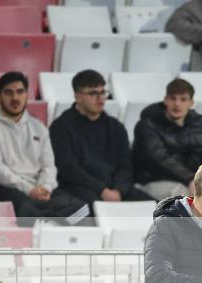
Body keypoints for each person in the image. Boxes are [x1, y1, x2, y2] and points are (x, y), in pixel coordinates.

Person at [0, 71, 90, 226]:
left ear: (27, 95)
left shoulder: (38, 127)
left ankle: (56, 230)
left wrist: (45, 187)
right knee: (27, 211)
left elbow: (49, 166)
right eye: (8, 93)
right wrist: (29, 189)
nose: (15, 98)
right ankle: (47, 230)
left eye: (20, 92)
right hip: (6, 188)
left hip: (39, 187)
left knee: (81, 207)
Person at [49, 70, 152, 204]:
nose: (100, 98)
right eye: (93, 93)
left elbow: (125, 167)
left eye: (103, 92)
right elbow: (68, 169)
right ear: (78, 96)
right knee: (95, 209)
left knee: (157, 209)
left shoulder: (116, 127)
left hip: (115, 189)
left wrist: (118, 190)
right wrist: (103, 190)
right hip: (79, 188)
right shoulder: (61, 126)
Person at [132, 78, 202, 200]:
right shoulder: (148, 125)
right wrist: (190, 179)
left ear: (191, 103)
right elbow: (160, 159)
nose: (177, 104)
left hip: (193, 181)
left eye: (183, 99)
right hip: (153, 181)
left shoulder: (198, 124)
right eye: (173, 98)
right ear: (166, 100)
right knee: (184, 195)